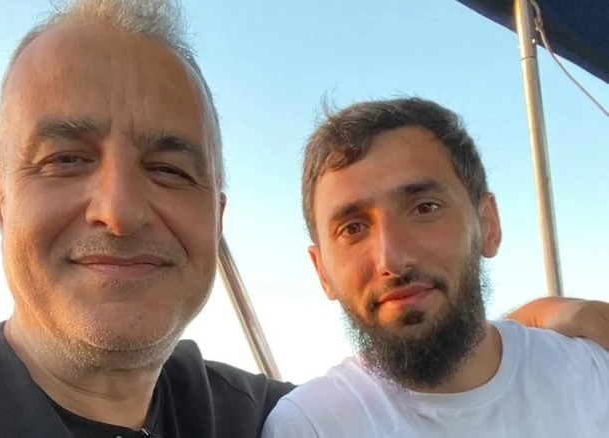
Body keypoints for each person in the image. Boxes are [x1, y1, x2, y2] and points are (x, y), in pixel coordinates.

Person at [0, 1, 606, 437]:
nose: (118, 211)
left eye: (170, 168)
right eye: (65, 159)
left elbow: (443, 366)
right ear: (1, 199)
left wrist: (539, 326)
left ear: (216, 218)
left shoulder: (248, 415)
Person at [261, 98, 609, 437]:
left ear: (488, 225)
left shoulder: (594, 375)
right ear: (322, 272)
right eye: (352, 229)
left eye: (425, 208)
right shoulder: (310, 426)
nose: (392, 260)